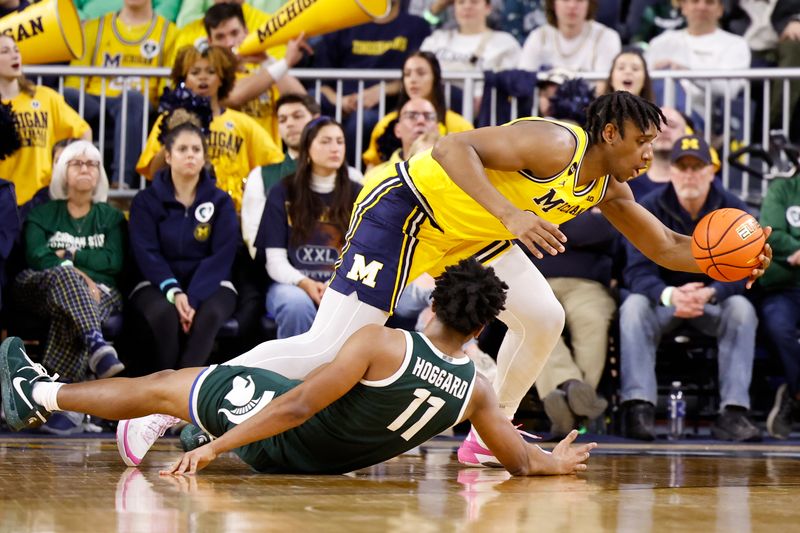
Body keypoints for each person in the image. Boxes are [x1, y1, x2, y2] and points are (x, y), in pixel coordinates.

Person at [121, 91, 772, 467]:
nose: (649, 158)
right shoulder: (554, 142)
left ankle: (487, 441)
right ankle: (171, 404)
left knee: (543, 316)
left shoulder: (609, 186)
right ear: (609, 132)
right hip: (409, 211)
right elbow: (452, 149)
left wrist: (732, 257)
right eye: (642, 145)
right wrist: (512, 211)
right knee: (325, 349)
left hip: (476, 233)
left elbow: (672, 245)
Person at [2, 258, 598, 477]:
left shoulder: (383, 342)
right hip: (321, 466)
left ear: (435, 303)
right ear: (481, 328)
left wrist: (218, 449)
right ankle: (200, 423)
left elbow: (297, 404)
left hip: (283, 440)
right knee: (260, 389)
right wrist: (557, 461)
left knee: (162, 386)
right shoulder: (477, 394)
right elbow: (518, 460)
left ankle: (39, 394)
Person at [619, 134, 763, 442]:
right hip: (664, 301)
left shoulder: (733, 210)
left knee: (741, 309)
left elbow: (746, 269)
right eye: (682, 167)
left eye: (697, 167)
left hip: (710, 300)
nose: (689, 174)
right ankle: (639, 407)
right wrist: (672, 295)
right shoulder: (648, 207)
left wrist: (711, 293)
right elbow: (635, 270)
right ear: (670, 171)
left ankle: (733, 413)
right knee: (632, 306)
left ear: (712, 170)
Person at [12, 141, 126, 404]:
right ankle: (97, 346)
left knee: (72, 310)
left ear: (100, 173)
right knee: (67, 279)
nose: (85, 168)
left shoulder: (112, 218)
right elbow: (38, 257)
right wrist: (80, 273)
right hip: (41, 287)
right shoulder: (41, 214)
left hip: (101, 292)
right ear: (62, 170)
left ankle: (59, 402)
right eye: (76, 163)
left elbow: (113, 262)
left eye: (91, 164)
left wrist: (69, 255)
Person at [128, 121, 239, 371]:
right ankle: (164, 391)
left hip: (212, 284)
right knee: (163, 314)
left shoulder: (220, 201)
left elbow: (222, 255)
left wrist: (194, 298)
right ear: (168, 156)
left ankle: (184, 394)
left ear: (204, 157)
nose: (191, 154)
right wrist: (175, 292)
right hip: (155, 282)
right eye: (182, 149)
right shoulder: (146, 201)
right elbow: (146, 253)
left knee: (209, 315)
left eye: (197, 149)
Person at [135, 44, 284, 212]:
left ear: (222, 79)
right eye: (195, 72)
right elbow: (154, 171)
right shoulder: (169, 119)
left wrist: (252, 185)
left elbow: (277, 165)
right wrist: (173, 135)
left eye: (211, 72)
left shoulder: (243, 123)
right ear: (184, 79)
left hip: (233, 211)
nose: (203, 78)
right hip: (181, 209)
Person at [260, 117, 362, 339]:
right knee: (295, 305)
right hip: (291, 284)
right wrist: (304, 283)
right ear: (307, 147)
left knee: (356, 307)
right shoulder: (282, 192)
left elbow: (363, 257)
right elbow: (274, 260)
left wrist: (334, 285)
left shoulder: (358, 194)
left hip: (343, 284)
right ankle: (291, 374)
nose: (335, 148)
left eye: (340, 141)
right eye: (325, 141)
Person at [64, 0, 177, 188]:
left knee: (132, 99)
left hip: (138, 107)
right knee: (65, 95)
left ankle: (121, 183)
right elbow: (74, 82)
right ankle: (65, 180)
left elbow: (166, 91)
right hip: (96, 103)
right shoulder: (95, 27)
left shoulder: (169, 33)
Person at [241, 94, 365, 259]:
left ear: (317, 119)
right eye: (282, 119)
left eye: (297, 116)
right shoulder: (260, 175)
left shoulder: (353, 177)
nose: (290, 124)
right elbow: (253, 234)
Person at [311, 0, 431, 167]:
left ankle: (351, 176)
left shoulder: (416, 26)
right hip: (338, 102)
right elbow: (321, 80)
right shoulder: (343, 24)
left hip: (387, 106)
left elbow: (420, 73)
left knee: (363, 120)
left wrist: (382, 90)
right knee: (308, 106)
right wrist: (340, 101)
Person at [0, 35, 91, 206]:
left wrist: (76, 170)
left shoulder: (45, 96)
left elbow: (83, 132)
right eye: (5, 51)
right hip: (4, 200)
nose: (15, 55)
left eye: (16, 50)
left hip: (41, 198)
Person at [202, 3, 309, 148]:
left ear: (246, 32)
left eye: (234, 33)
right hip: (229, 165)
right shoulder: (206, 75)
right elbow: (234, 96)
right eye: (220, 37)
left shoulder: (265, 71)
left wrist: (267, 61)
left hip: (269, 162)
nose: (229, 43)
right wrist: (285, 63)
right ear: (210, 42)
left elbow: (303, 101)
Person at [645, 0, 750, 126]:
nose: (701, 7)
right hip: (655, 114)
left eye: (709, 2)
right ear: (683, 7)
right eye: (695, 1)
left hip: (703, 120)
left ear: (720, 10)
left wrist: (684, 72)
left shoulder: (735, 44)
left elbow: (730, 88)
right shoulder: (661, 42)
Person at [362, 51, 473, 169]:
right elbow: (372, 170)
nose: (413, 80)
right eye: (407, 74)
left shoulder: (460, 126)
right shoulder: (385, 124)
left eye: (421, 73)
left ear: (435, 78)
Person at [757, 172, 800, 439]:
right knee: (779, 326)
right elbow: (771, 233)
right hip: (784, 287)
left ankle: (793, 395)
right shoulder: (782, 190)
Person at [420, 0, 521, 107]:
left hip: (483, 114)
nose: (467, 6)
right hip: (433, 110)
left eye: (474, 2)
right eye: (461, 2)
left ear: (488, 8)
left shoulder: (505, 42)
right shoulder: (435, 39)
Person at [517, 0, 621, 75]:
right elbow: (523, 81)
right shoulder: (538, 37)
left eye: (579, 0)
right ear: (553, 3)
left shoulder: (607, 38)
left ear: (589, 4)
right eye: (565, 0)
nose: (572, 5)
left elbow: (604, 90)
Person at [364, 98, 442, 181]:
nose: (421, 121)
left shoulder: (450, 175)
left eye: (428, 117)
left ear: (438, 129)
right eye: (411, 116)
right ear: (398, 130)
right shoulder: (374, 177)